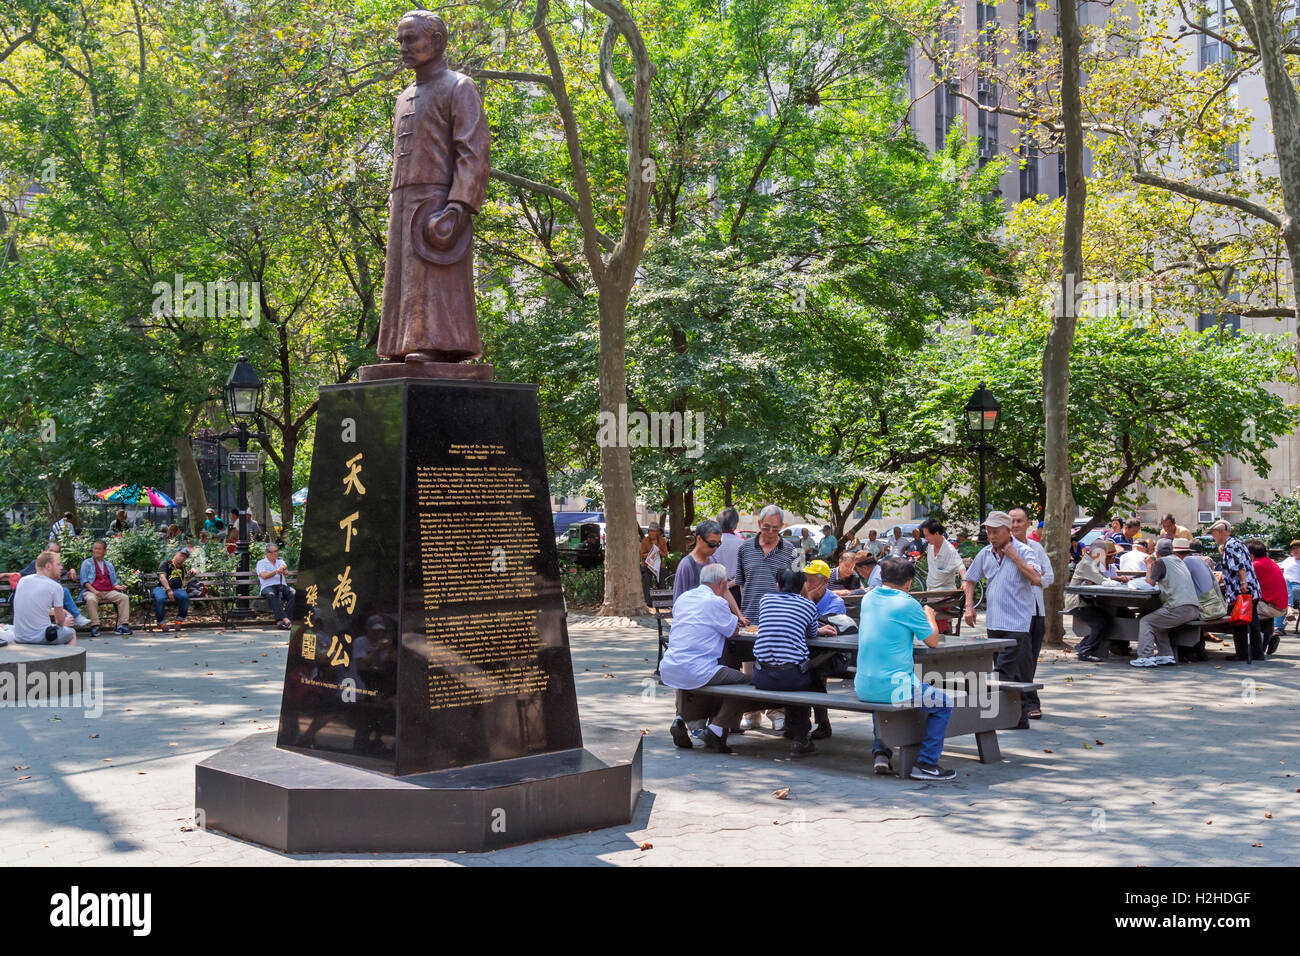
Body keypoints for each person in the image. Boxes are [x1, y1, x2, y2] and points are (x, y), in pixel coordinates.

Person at [377, 9, 491, 365]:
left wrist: (459, 205)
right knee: (401, 280)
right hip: (403, 203)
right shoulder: (402, 97)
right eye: (400, 41)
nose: (403, 47)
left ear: (437, 41)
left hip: (438, 203)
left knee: (435, 281)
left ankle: (438, 343)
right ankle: (400, 344)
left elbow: (474, 152)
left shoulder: (459, 86)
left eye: (411, 39)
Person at [856, 557, 955, 780]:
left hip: (864, 685)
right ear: (909, 582)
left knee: (881, 696)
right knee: (944, 703)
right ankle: (927, 763)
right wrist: (930, 615)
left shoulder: (869, 598)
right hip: (896, 687)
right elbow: (932, 641)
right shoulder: (908, 603)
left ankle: (881, 753)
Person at [962, 511, 1043, 729]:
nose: (991, 536)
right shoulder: (985, 553)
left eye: (995, 531)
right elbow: (970, 579)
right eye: (988, 531)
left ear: (1008, 531)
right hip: (993, 623)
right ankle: (1018, 717)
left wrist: (1014, 556)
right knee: (1008, 673)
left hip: (1017, 624)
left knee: (1003, 672)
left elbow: (1037, 579)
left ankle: (1000, 715)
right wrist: (969, 607)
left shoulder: (1025, 551)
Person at [659, 564, 750, 753]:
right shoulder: (716, 602)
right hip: (698, 668)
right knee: (746, 684)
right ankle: (717, 728)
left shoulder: (684, 598)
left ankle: (681, 719)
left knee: (699, 680)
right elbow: (732, 631)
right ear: (721, 584)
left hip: (670, 664)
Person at [734, 506, 795, 731]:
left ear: (782, 528)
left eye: (775, 528)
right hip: (751, 616)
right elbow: (741, 583)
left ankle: (776, 711)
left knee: (776, 665)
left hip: (779, 619)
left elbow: (796, 584)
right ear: (759, 525)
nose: (770, 532)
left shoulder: (790, 549)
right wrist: (743, 613)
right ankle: (752, 711)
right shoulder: (744, 549)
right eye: (766, 527)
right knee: (749, 667)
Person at [753, 570, 822, 756]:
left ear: (778, 585)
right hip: (791, 678)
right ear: (802, 586)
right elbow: (812, 633)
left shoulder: (766, 600)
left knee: (796, 675)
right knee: (811, 677)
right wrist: (806, 595)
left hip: (762, 676)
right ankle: (802, 737)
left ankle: (794, 729)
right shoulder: (807, 605)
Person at [1009, 507, 1054, 719]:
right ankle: (1028, 702)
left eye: (1019, 521)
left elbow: (1048, 577)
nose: (1016, 525)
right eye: (1012, 521)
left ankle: (1021, 699)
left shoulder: (1036, 548)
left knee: (1032, 658)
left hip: (1037, 611)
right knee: (1022, 658)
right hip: (1016, 613)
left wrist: (1035, 577)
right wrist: (1034, 576)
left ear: (1028, 524)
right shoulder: (1004, 549)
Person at [1132, 538, 1199, 667]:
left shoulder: (1161, 562)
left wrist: (1149, 566)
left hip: (1178, 607)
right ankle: (1165, 655)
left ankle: (1145, 657)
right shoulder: (1179, 561)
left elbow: (1150, 583)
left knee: (1146, 621)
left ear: (1157, 553)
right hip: (1193, 608)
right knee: (1159, 621)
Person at [800, 560, 845, 740]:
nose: (807, 584)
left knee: (812, 671)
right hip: (808, 651)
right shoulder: (799, 597)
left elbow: (823, 627)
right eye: (806, 579)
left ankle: (822, 723)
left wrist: (807, 601)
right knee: (795, 668)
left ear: (824, 581)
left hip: (832, 654)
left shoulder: (836, 601)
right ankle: (799, 722)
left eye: (811, 580)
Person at [1209, 519, 1262, 662]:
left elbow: (1240, 566)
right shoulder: (1237, 543)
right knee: (1252, 621)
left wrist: (1243, 583)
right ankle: (1257, 653)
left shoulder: (1231, 546)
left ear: (1220, 532)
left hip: (1242, 590)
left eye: (1214, 534)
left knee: (1239, 622)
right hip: (1251, 589)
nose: (1214, 537)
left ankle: (1242, 653)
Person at [1066, 541, 1123, 661]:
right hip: (1077, 603)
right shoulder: (1087, 564)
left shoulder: (1091, 562)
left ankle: (1083, 646)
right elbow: (1103, 581)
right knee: (1100, 622)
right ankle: (1085, 651)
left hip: (1085, 601)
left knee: (1106, 619)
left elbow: (1103, 578)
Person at [12, 551, 77, 645]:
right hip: (42, 637)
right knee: (71, 633)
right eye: (58, 564)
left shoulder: (23, 581)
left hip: (19, 637)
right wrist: (65, 621)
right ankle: (67, 659)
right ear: (48, 566)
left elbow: (33, 607)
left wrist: (54, 611)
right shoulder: (55, 586)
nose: (61, 567)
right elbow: (60, 621)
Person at [19, 541, 90, 628]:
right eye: (51, 550)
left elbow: (63, 572)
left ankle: (74, 617)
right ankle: (76, 617)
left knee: (62, 590)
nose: (53, 554)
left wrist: (71, 570)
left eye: (56, 552)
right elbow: (21, 574)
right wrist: (5, 574)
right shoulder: (37, 563)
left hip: (51, 597)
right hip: (40, 594)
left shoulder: (55, 567)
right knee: (63, 590)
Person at [78, 539, 133, 637]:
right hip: (91, 591)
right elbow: (84, 581)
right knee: (91, 599)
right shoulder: (86, 563)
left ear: (105, 551)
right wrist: (94, 591)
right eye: (94, 548)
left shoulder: (109, 565)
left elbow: (113, 583)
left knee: (124, 598)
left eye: (99, 549)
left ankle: (121, 626)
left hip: (107, 591)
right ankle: (95, 626)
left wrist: (118, 587)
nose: (96, 551)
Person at [1247, 539, 1287, 655]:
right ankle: (1269, 637)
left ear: (1251, 555)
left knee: (1240, 610)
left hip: (1271, 606)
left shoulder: (1255, 565)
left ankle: (1255, 645)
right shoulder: (1271, 562)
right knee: (1256, 605)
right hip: (1279, 606)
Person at [153, 548, 194, 631]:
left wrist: (191, 572)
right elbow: (162, 577)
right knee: (160, 599)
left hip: (176, 589)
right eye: (181, 555)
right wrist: (168, 590)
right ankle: (161, 623)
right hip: (161, 588)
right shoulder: (166, 563)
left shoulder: (183, 568)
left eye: (185, 557)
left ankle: (179, 621)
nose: (182, 558)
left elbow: (184, 580)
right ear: (176, 554)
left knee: (184, 597)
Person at [256, 543, 296, 629]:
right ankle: (286, 619)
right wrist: (276, 571)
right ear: (267, 553)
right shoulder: (261, 563)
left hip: (281, 585)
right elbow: (264, 576)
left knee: (294, 594)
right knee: (271, 595)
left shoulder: (280, 562)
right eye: (272, 552)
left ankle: (281, 621)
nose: (275, 553)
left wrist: (284, 570)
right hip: (267, 586)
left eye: (276, 551)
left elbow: (286, 571)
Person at [712, 508, 745, 606]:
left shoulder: (712, 543)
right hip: (736, 590)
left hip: (715, 589)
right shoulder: (743, 544)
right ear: (735, 525)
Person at [921, 518, 964, 590]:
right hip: (930, 591)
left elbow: (960, 566)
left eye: (927, 535)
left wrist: (964, 581)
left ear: (936, 533)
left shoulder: (949, 549)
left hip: (946, 593)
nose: (926, 538)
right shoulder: (930, 545)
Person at [639, 522, 669, 602]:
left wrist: (659, 552)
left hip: (659, 565)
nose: (652, 533)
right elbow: (642, 555)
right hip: (647, 565)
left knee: (661, 581)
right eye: (651, 531)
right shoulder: (645, 541)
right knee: (646, 581)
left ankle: (662, 601)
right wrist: (651, 554)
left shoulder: (662, 541)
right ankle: (648, 601)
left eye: (654, 531)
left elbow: (665, 554)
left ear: (658, 532)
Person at [1280, 540, 1300, 630]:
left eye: (1298, 548)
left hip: (1298, 587)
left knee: (1285, 588)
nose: (1295, 550)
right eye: (1293, 549)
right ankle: (1279, 628)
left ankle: (1289, 607)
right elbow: (1276, 567)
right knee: (1281, 593)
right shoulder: (1288, 560)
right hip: (1287, 587)